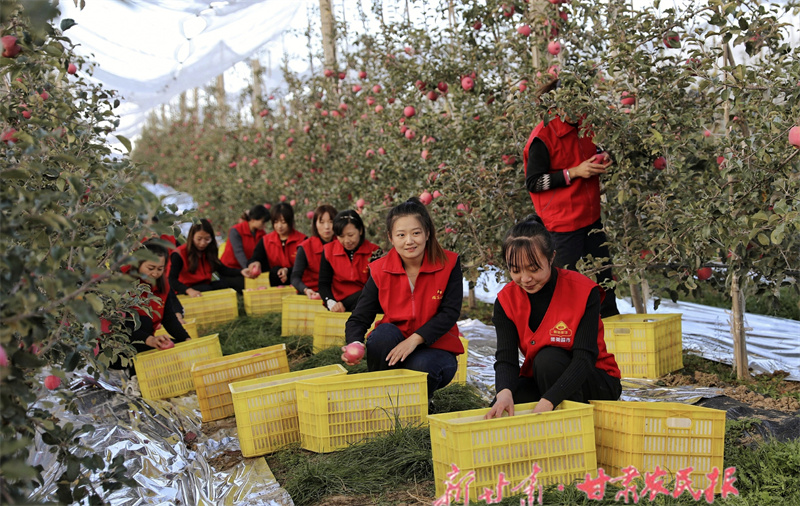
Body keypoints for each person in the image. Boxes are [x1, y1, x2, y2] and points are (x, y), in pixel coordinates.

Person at [485, 216, 621, 419]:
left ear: (551, 258)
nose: (525, 279)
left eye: (533, 269)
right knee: (503, 408)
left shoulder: (583, 292)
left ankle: (576, 430)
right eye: (515, 270)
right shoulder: (506, 301)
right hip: (542, 377)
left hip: (594, 379)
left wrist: (549, 401)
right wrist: (504, 392)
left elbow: (584, 358)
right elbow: (506, 358)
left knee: (548, 360)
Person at [343, 198, 463, 398]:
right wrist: (354, 343)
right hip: (393, 346)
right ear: (391, 237)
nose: (409, 241)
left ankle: (421, 403)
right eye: (401, 234)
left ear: (427, 233)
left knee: (421, 366)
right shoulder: (380, 270)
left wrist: (415, 339)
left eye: (416, 233)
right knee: (382, 336)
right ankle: (381, 399)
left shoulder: (448, 264)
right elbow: (360, 316)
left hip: (436, 347)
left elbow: (449, 313)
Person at [522, 77, 620, 318]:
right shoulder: (543, 137)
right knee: (563, 288)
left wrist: (606, 158)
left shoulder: (587, 127)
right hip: (562, 225)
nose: (580, 110)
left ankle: (611, 339)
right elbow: (534, 183)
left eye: (583, 103)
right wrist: (573, 173)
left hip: (591, 218)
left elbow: (598, 151)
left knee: (605, 279)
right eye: (573, 104)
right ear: (557, 105)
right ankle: (560, 339)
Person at [111, 240, 192, 372]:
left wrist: (187, 339)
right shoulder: (123, 284)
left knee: (178, 348)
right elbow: (122, 327)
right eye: (151, 268)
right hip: (120, 348)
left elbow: (169, 318)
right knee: (144, 320)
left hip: (146, 342)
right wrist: (150, 340)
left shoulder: (162, 285)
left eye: (160, 269)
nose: (155, 273)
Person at [317, 210, 382, 312]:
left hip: (366, 301)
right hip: (338, 303)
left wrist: (345, 304)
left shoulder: (374, 251)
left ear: (360, 230)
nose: (346, 241)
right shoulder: (328, 251)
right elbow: (323, 283)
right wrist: (331, 302)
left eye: (351, 235)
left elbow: (375, 287)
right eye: (341, 237)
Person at [169, 219, 251, 296]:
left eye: (207, 239)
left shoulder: (209, 251)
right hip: (186, 289)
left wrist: (241, 271)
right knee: (206, 288)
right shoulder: (179, 254)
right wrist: (188, 290)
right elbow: (172, 280)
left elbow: (223, 270)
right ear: (192, 237)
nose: (203, 243)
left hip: (206, 285)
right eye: (199, 239)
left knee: (226, 284)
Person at [247, 203, 306, 287]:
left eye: (283, 222)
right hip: (277, 282)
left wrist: (287, 270)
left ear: (290, 222)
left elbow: (306, 266)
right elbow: (256, 257)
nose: (279, 226)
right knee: (275, 271)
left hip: (298, 282)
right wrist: (255, 263)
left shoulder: (302, 241)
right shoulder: (266, 240)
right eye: (276, 222)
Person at [291, 204, 337, 298]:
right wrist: (305, 289)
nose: (327, 227)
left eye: (331, 222)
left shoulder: (342, 244)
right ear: (315, 224)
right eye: (322, 222)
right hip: (313, 293)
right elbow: (295, 277)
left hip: (336, 292)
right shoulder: (305, 247)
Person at [220, 205, 268, 269]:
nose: (264, 225)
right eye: (263, 222)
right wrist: (248, 268)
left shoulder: (261, 233)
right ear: (253, 220)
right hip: (231, 268)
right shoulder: (236, 231)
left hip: (249, 268)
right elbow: (239, 253)